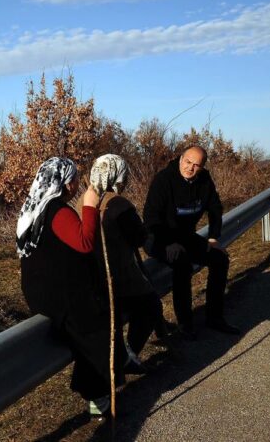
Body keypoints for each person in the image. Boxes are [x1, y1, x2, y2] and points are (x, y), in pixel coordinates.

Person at [17, 157, 111, 415]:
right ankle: (95, 394)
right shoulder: (58, 211)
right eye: (75, 178)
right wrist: (90, 207)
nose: (78, 183)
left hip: (41, 290)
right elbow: (84, 243)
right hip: (60, 297)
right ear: (65, 183)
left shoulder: (33, 208)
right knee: (95, 329)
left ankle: (97, 384)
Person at [142, 145, 239, 338]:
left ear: (202, 167)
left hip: (185, 236)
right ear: (180, 159)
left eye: (196, 165)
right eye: (188, 162)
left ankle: (215, 317)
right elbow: (151, 217)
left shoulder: (204, 180)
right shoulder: (163, 180)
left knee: (220, 259)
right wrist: (168, 242)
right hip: (157, 237)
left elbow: (215, 208)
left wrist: (213, 238)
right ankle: (185, 324)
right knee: (182, 263)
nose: (190, 168)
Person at [90, 154, 167, 379]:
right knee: (150, 305)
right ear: (119, 176)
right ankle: (129, 355)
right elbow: (139, 237)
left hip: (93, 276)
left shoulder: (83, 201)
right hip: (119, 274)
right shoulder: (118, 204)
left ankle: (123, 356)